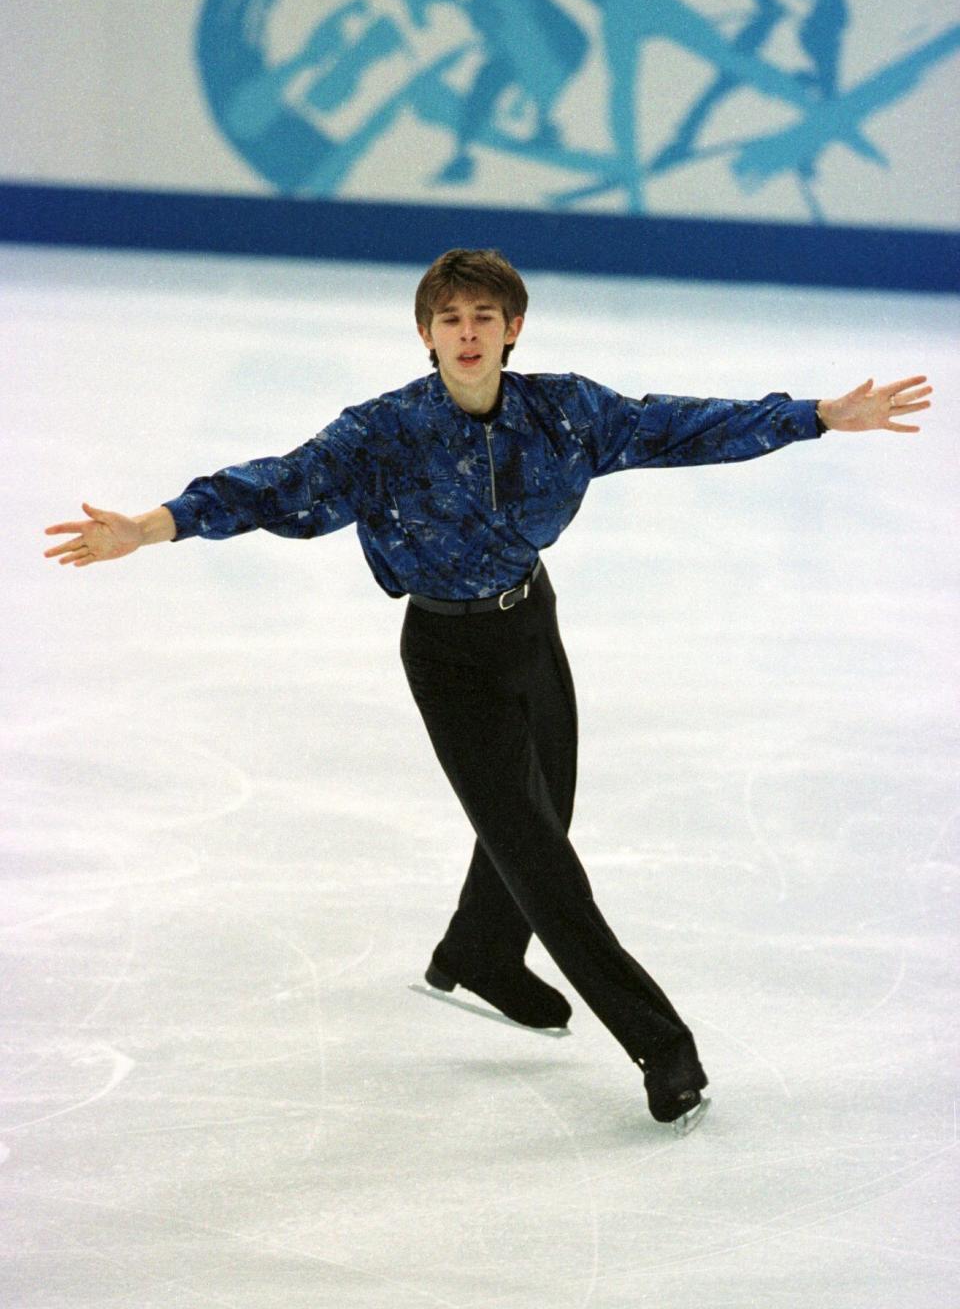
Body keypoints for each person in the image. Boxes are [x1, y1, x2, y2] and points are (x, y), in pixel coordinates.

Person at [44, 248, 932, 1132]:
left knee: (543, 814)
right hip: (448, 656)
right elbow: (276, 485)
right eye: (449, 320)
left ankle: (480, 953)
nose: (467, 334)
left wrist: (817, 415)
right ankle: (662, 1047)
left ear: (514, 329)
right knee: (546, 866)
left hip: (530, 627)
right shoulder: (381, 436)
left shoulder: (565, 413)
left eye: (484, 319)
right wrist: (155, 526)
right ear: (426, 335)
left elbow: (679, 427)